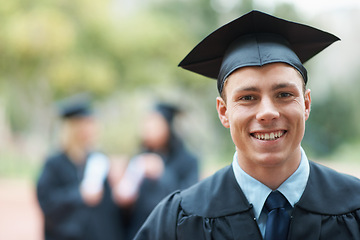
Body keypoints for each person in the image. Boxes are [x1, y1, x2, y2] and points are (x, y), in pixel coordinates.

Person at [134, 10, 360, 240]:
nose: (267, 113)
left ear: (306, 104)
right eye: (248, 97)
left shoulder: (356, 207)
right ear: (223, 112)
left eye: (283, 94)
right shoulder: (179, 222)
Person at [36, 94, 123, 240]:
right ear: (74, 128)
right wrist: (79, 195)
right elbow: (47, 202)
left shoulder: (98, 160)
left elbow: (108, 210)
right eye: (87, 124)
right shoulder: (55, 163)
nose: (92, 129)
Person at [113, 103, 199, 240]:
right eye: (146, 124)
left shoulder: (188, 161)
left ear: (168, 127)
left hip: (172, 232)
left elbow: (190, 202)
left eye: (154, 124)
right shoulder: (140, 158)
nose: (147, 129)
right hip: (141, 231)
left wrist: (163, 173)